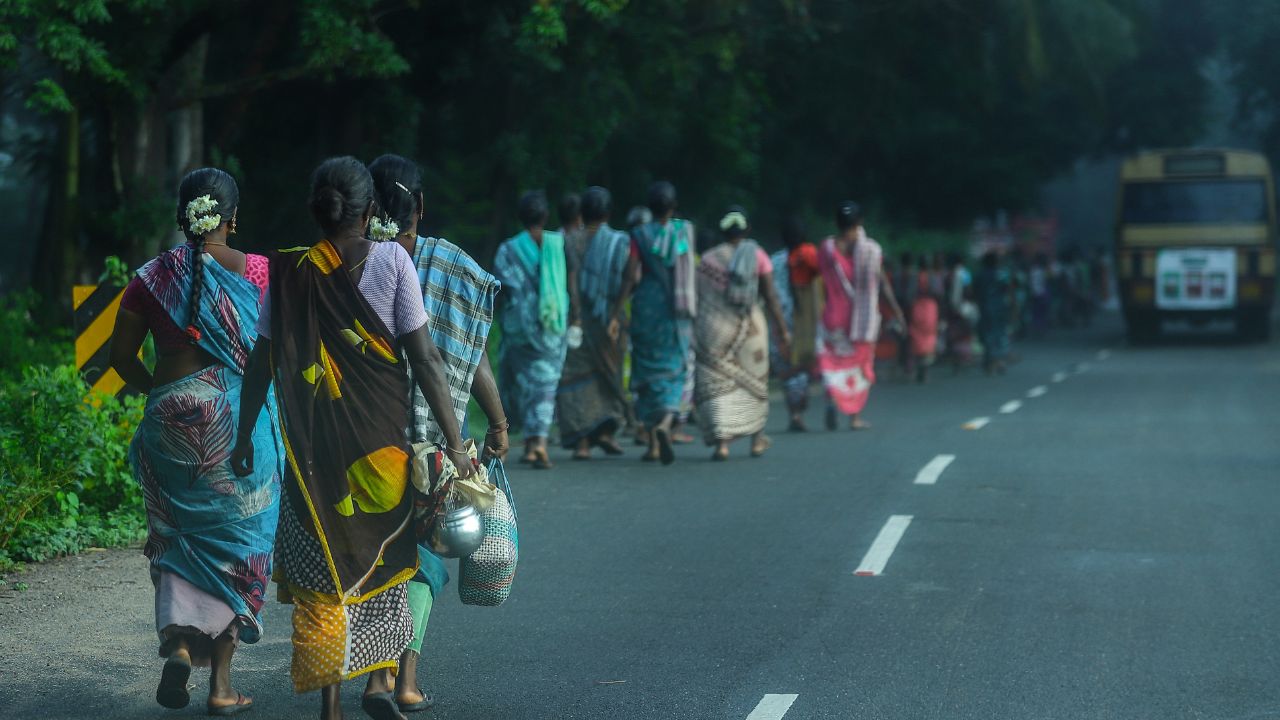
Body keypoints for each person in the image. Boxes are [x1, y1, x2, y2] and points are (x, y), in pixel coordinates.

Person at [229, 156, 476, 720]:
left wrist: (244, 436)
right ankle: (377, 683)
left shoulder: (290, 273)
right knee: (383, 558)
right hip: (380, 447)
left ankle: (331, 703)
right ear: (369, 212)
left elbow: (260, 362)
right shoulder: (392, 260)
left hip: (313, 452)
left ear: (317, 211)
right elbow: (425, 359)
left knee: (321, 568)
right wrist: (457, 446)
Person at [109, 168, 280, 716]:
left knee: (177, 539)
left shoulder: (150, 278)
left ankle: (181, 646)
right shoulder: (260, 273)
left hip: (169, 424)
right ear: (232, 218)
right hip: (236, 426)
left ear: (183, 216)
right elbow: (277, 354)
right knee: (238, 547)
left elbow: (120, 358)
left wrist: (161, 394)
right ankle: (222, 688)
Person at [368, 153, 508, 714]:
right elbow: (472, 355)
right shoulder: (455, 266)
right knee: (423, 557)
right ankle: (405, 678)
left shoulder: (349, 263)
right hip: (433, 444)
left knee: (373, 555)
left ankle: (374, 676)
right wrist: (495, 422)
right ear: (420, 206)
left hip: (362, 440)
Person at [694, 207, 790, 460]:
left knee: (717, 385)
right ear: (747, 229)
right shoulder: (757, 255)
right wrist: (782, 329)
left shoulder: (708, 259)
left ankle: (722, 444)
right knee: (756, 384)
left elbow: (699, 297)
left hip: (714, 330)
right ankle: (757, 441)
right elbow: (770, 296)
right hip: (751, 330)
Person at [612, 181, 697, 465]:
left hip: (647, 307)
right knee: (675, 369)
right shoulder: (683, 232)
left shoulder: (639, 234)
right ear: (674, 206)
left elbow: (630, 275)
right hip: (676, 310)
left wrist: (616, 310)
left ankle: (652, 442)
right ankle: (666, 423)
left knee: (647, 369)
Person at [493, 191, 569, 469]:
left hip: (519, 327)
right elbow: (569, 280)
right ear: (545, 216)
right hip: (552, 324)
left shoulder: (508, 249)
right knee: (546, 383)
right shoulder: (558, 244)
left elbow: (500, 288)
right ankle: (539, 443)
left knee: (524, 384)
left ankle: (530, 441)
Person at [816, 201, 905, 431]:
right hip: (862, 321)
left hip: (833, 317)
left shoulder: (826, 248)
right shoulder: (871, 250)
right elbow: (882, 284)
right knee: (859, 366)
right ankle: (854, 417)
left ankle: (831, 400)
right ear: (860, 222)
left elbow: (819, 282)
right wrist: (897, 312)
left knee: (833, 364)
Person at [558, 186, 631, 460]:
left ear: (582, 213)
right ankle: (606, 432)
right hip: (610, 321)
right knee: (608, 375)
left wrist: (575, 313)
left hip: (576, 321)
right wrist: (615, 313)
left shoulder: (568, 241)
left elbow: (568, 280)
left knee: (577, 380)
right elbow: (630, 279)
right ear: (609, 212)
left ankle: (583, 442)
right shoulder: (620, 242)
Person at [769, 216, 821, 431]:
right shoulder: (811, 256)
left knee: (787, 366)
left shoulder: (774, 261)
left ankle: (794, 412)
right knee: (803, 366)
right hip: (804, 322)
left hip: (779, 320)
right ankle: (799, 407)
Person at [974, 250, 1012, 374]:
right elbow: (1008, 290)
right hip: (1000, 308)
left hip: (985, 308)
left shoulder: (980, 275)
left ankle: (990, 361)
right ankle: (999, 361)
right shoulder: (1002, 274)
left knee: (987, 335)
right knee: (1000, 334)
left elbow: (975, 291)